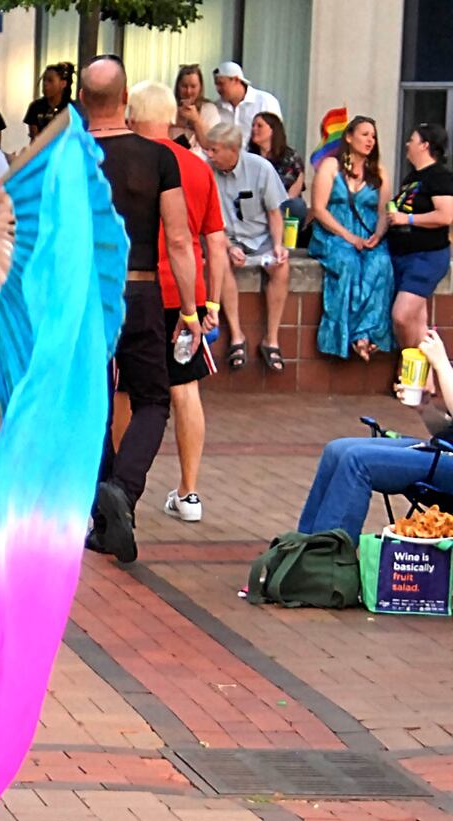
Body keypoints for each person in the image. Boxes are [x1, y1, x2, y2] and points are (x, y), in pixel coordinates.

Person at [76, 57, 200, 566]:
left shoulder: (68, 157)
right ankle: (123, 492)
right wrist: (190, 308)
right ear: (125, 99)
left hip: (84, 296)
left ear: (83, 101)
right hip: (141, 289)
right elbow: (176, 237)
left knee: (94, 406)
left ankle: (105, 518)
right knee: (152, 398)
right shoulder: (158, 157)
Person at [128, 81, 229, 526]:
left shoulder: (121, 161)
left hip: (133, 289)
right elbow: (216, 242)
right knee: (185, 387)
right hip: (184, 293)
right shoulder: (197, 168)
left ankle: (121, 490)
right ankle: (189, 492)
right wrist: (212, 302)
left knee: (125, 391)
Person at [297, 328, 453, 539]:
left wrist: (441, 364)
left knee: (357, 460)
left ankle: (328, 561)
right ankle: (303, 553)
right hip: (442, 452)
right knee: (337, 450)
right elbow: (448, 431)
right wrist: (425, 408)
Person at [308, 114, 394, 362]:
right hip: (332, 233)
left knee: (381, 263)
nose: (370, 140)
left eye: (374, 136)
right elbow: (319, 208)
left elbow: (382, 211)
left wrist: (377, 235)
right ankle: (343, 337)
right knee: (348, 262)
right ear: (348, 136)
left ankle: (366, 334)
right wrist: (348, 236)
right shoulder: (330, 166)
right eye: (365, 134)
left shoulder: (378, 171)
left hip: (368, 233)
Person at [207, 121, 291, 372]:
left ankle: (271, 339)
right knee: (219, 262)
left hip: (260, 238)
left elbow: (275, 213)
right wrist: (229, 245)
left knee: (282, 269)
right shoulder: (207, 171)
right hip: (227, 238)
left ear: (233, 150)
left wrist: (278, 245)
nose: (210, 155)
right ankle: (236, 335)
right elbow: (208, 222)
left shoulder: (261, 168)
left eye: (215, 150)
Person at [388, 123, 453, 349]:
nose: (407, 144)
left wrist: (408, 220)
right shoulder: (412, 177)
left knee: (402, 315)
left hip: (427, 256)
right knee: (417, 321)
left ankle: (408, 368)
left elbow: (445, 216)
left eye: (412, 140)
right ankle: (427, 382)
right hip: (404, 255)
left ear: (425, 145)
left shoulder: (439, 176)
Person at [248, 112, 305, 224]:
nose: (254, 129)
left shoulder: (290, 156)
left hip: (282, 205)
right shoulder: (248, 157)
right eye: (253, 125)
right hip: (254, 205)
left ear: (272, 130)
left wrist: (273, 209)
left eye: (259, 126)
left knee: (297, 205)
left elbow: (294, 191)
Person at [212, 60, 280, 148]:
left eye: (221, 84)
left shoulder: (265, 101)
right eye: (216, 84)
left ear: (236, 80)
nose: (218, 89)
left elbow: (276, 135)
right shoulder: (217, 107)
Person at [171, 63, 221, 150]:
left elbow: (209, 145)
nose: (188, 91)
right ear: (178, 86)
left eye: (193, 86)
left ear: (200, 87)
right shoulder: (168, 107)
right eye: (184, 86)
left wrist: (196, 120)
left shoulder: (209, 109)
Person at [24, 62, 73, 140]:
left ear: (63, 84)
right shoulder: (36, 106)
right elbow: (35, 138)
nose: (45, 84)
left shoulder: (71, 108)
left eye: (50, 81)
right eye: (44, 80)